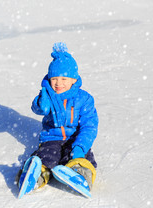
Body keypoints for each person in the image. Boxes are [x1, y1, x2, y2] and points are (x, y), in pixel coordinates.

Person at [17, 42, 99, 192]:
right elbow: (37, 109)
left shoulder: (84, 99)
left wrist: (80, 146)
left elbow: (89, 126)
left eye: (64, 79)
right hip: (51, 138)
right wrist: (41, 103)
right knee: (47, 156)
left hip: (75, 138)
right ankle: (36, 176)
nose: (58, 83)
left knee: (79, 157)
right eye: (54, 79)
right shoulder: (48, 95)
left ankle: (81, 175)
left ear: (74, 80)